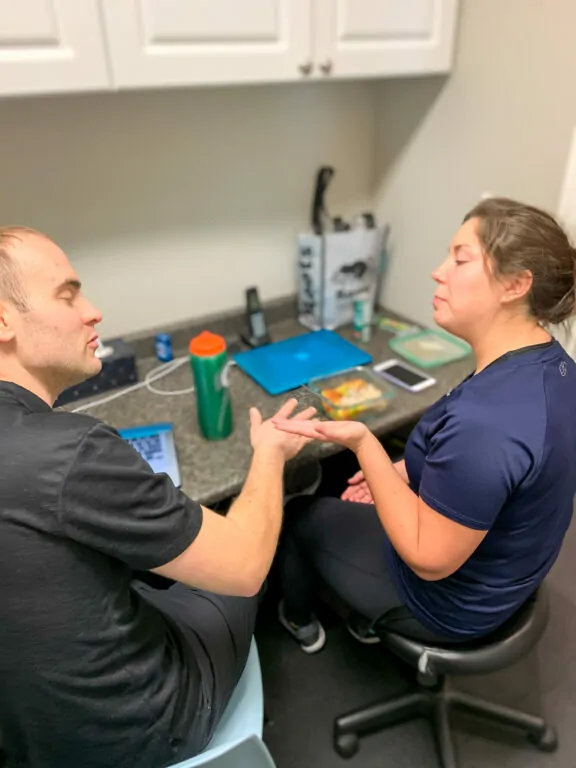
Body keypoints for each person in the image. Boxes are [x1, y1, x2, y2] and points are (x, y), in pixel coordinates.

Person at [0, 226, 316, 768]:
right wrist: (269, 454)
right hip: (139, 733)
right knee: (239, 567)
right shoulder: (68, 452)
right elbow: (244, 565)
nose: (93, 312)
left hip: (28, 741)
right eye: (68, 295)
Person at [273, 197, 576, 653]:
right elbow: (496, 472)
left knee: (300, 515)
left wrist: (366, 446)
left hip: (449, 604)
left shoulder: (487, 424)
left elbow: (428, 558)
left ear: (515, 284)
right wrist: (403, 471)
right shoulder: (550, 365)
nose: (438, 272)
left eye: (460, 259)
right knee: (348, 486)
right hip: (510, 573)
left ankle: (300, 623)